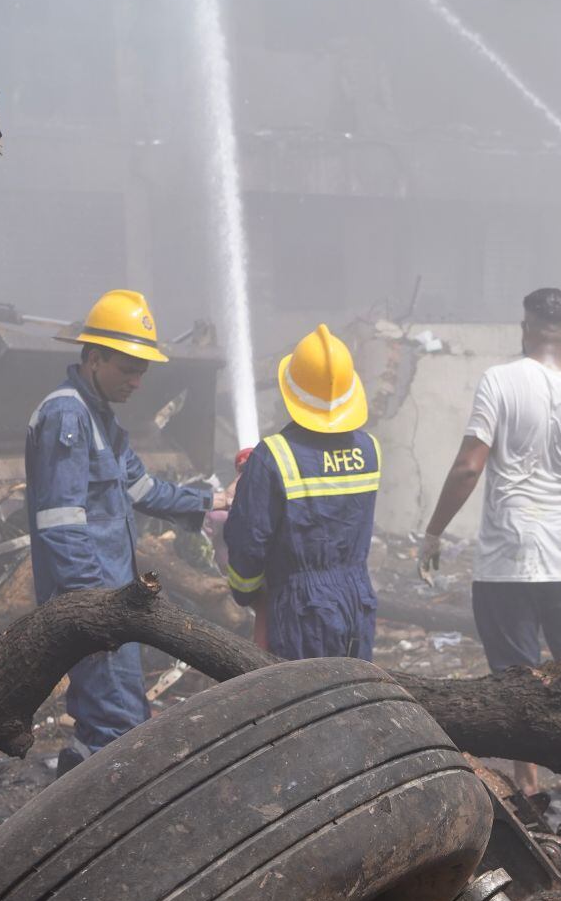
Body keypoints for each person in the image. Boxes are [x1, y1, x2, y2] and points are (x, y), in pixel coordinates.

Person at [422, 288, 561, 791]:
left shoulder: (499, 383)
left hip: (506, 561)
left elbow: (467, 466)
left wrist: (433, 532)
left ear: (524, 328)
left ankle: (527, 779)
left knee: (516, 679)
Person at [29, 289, 218, 770]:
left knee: (115, 719)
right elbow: (61, 525)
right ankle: (94, 824)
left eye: (143, 370)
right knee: (117, 727)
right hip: (94, 601)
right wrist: (96, 611)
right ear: (94, 358)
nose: (138, 381)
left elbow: (142, 489)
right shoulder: (67, 415)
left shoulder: (100, 418)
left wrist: (210, 503)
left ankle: (84, 807)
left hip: (113, 600)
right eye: (128, 369)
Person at [223, 324, 380, 659]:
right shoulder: (369, 449)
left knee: (304, 705)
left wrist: (245, 592)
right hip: (357, 598)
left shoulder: (273, 456)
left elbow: (248, 540)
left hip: (301, 608)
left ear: (290, 392)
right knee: (354, 698)